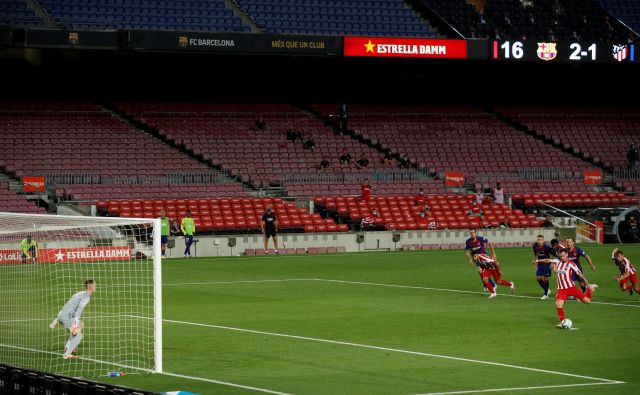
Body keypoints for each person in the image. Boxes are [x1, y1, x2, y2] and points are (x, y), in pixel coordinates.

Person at [549, 248, 597, 328]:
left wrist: (588, 285)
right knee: (558, 305)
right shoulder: (558, 262)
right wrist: (537, 261)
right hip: (561, 290)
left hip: (571, 288)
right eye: (561, 256)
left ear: (567, 255)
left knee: (587, 301)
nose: (562, 258)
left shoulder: (571, 264)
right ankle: (562, 322)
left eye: (563, 256)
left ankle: (588, 289)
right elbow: (547, 260)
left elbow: (581, 275)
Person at [49, 279, 96, 359]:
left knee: (81, 324)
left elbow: (70, 301)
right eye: (95, 285)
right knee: (79, 335)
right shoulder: (86, 296)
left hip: (62, 313)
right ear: (90, 287)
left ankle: (68, 346)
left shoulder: (80, 293)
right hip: (67, 316)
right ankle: (67, 354)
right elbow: (80, 308)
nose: (96, 287)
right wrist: (75, 322)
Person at [532, 234, 553, 299]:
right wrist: (534, 263)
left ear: (543, 240)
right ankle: (547, 290)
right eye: (538, 240)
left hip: (547, 264)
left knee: (546, 278)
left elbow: (554, 255)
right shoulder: (535, 245)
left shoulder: (547, 247)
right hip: (540, 263)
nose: (539, 241)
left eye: (541, 240)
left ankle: (545, 294)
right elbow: (535, 255)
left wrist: (552, 263)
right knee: (538, 278)